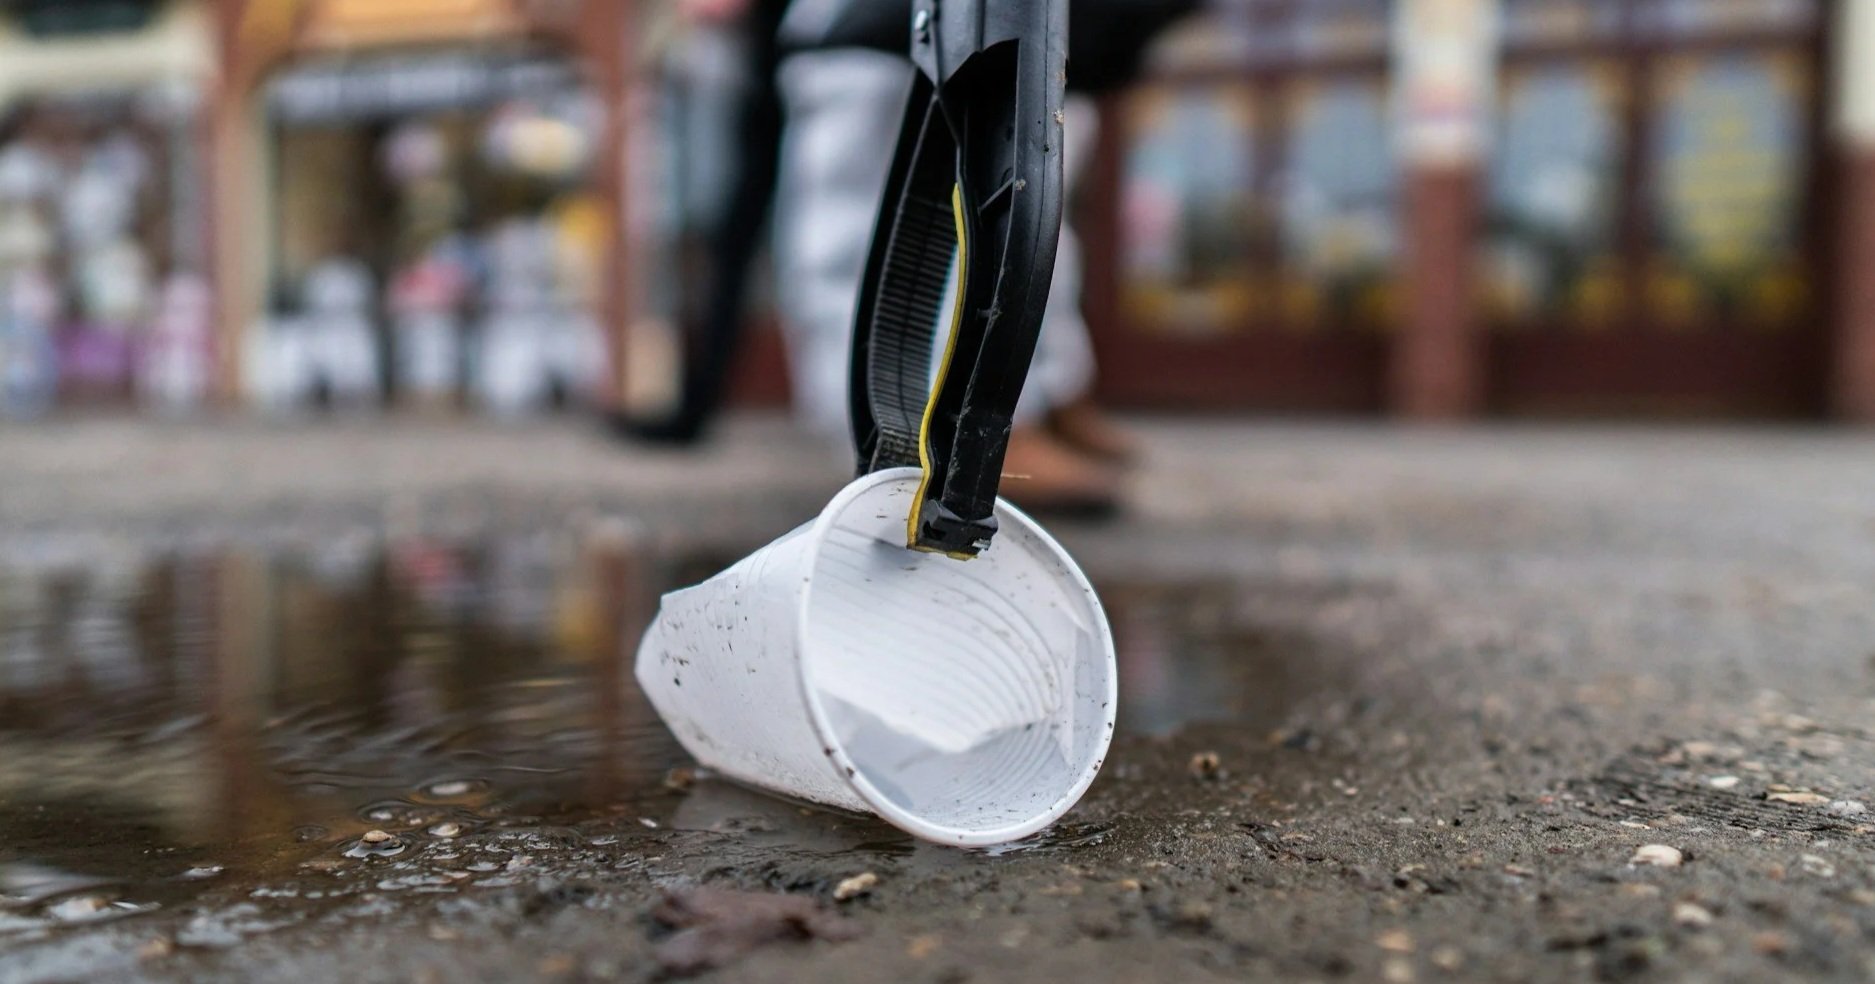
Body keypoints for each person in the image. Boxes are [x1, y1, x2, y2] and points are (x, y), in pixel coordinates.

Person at [661, 0, 1195, 511]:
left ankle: (1030, 407)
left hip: (1010, 32)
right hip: (878, 37)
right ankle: (900, 446)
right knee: (865, 237)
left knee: (1025, 219)